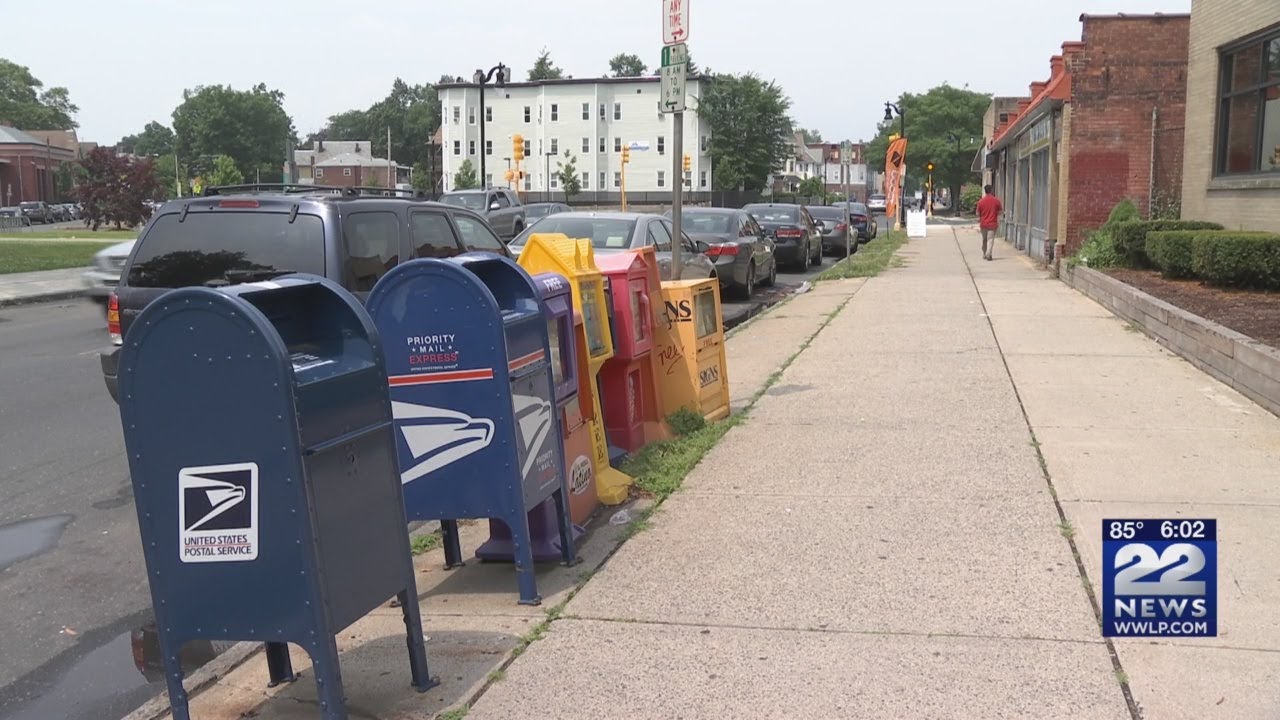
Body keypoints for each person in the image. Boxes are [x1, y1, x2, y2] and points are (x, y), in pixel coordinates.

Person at [975, 185, 1003, 261]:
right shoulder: (996, 201)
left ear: (985, 191)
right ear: (991, 190)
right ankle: (988, 254)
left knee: (984, 239)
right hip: (992, 224)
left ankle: (985, 253)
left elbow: (977, 213)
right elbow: (1000, 212)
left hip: (983, 224)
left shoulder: (981, 201)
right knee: (990, 239)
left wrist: (980, 218)